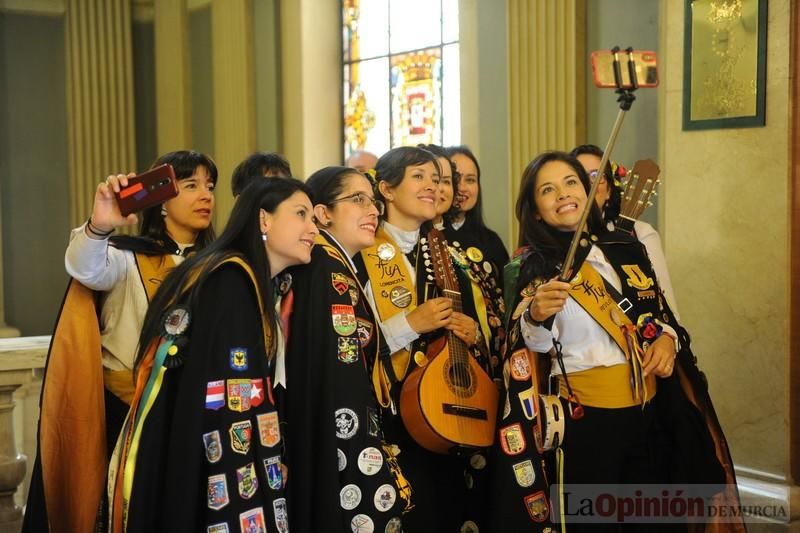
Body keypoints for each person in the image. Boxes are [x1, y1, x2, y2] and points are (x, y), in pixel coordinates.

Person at [489, 151, 741, 531]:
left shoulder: (627, 250)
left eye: (571, 182)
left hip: (650, 416)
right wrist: (535, 315)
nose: (563, 194)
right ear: (536, 210)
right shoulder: (529, 268)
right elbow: (531, 351)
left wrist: (667, 342)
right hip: (588, 425)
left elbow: (660, 318)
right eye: (548, 189)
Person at [106, 177, 319, 531]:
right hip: (210, 462)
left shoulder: (242, 276)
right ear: (263, 220)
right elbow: (226, 400)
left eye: (314, 218)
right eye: (301, 214)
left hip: (210, 450)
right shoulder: (231, 279)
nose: (313, 228)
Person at [23, 150, 217, 533]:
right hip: (129, 415)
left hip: (196, 416)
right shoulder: (125, 258)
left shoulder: (219, 263)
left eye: (209, 186)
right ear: (160, 201)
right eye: (191, 185)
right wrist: (100, 224)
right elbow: (85, 267)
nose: (206, 195)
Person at [358, 146, 494, 532]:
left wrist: (471, 335)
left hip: (445, 408)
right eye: (419, 177)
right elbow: (349, 343)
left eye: (436, 179)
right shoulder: (364, 252)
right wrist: (410, 324)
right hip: (389, 412)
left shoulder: (447, 255)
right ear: (386, 189)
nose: (433, 186)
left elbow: (480, 331)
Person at [284, 166, 408, 532]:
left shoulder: (334, 264)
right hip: (340, 434)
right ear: (323, 214)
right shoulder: (326, 268)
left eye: (373, 201)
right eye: (357, 200)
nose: (373, 210)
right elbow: (339, 370)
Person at [570, 144, 679, 317]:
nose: (589, 183)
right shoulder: (559, 239)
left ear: (609, 191)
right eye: (577, 177)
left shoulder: (640, 233)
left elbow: (667, 307)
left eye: (596, 175)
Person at [446, 145, 509, 288]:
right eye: (455, 179)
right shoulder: (428, 236)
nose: (462, 188)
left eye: (470, 180)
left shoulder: (491, 240)